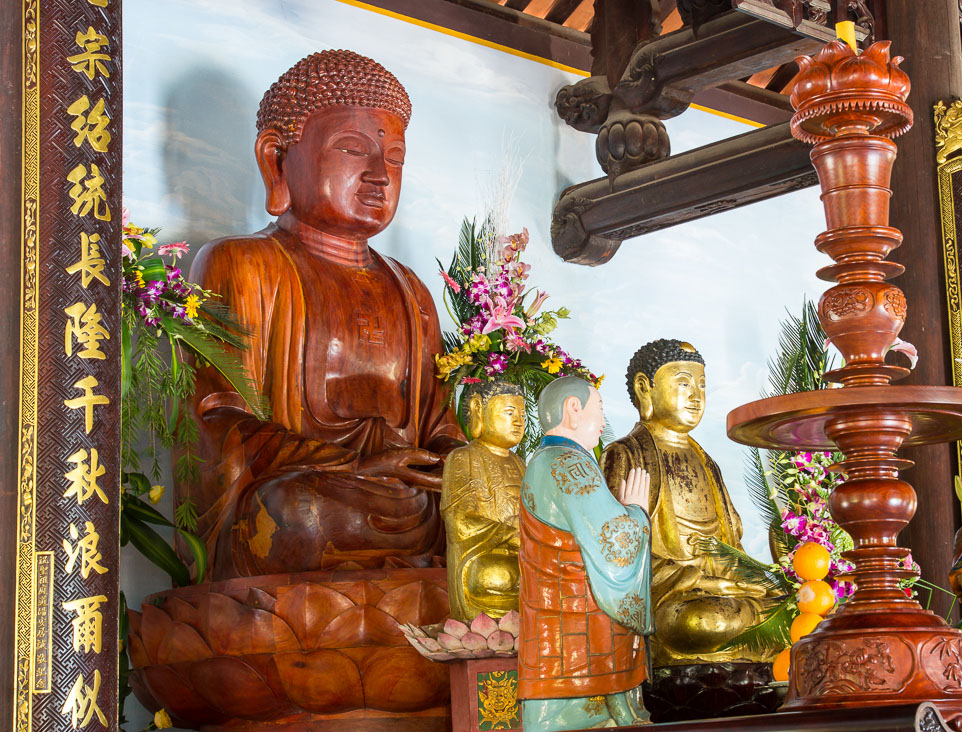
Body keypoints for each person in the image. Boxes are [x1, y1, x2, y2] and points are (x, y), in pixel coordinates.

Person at [183, 50, 464, 580]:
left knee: (489, 508)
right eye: (352, 149)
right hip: (313, 496)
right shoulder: (242, 264)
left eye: (396, 157)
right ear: (276, 158)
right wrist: (355, 463)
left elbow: (438, 422)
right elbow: (216, 417)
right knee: (300, 513)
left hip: (406, 502)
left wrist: (457, 464)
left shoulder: (413, 291)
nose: (380, 175)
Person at [600, 339, 774, 666]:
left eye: (702, 385)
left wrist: (758, 580)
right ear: (644, 388)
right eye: (683, 383)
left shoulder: (706, 464)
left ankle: (743, 646)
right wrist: (701, 581)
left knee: (792, 606)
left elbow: (729, 549)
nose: (696, 396)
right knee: (700, 622)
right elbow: (616, 558)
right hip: (671, 602)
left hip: (721, 595)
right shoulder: (626, 455)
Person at [518, 376, 653, 730]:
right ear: (573, 410)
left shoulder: (543, 460)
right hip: (577, 624)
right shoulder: (567, 464)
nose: (604, 422)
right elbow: (615, 540)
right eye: (600, 410)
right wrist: (637, 512)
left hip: (554, 624)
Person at [440, 382, 526, 621]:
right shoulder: (463, 458)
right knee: (497, 575)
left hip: (520, 556)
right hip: (483, 558)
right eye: (509, 413)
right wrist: (510, 534)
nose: (518, 421)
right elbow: (459, 521)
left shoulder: (520, 463)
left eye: (522, 414)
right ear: (479, 410)